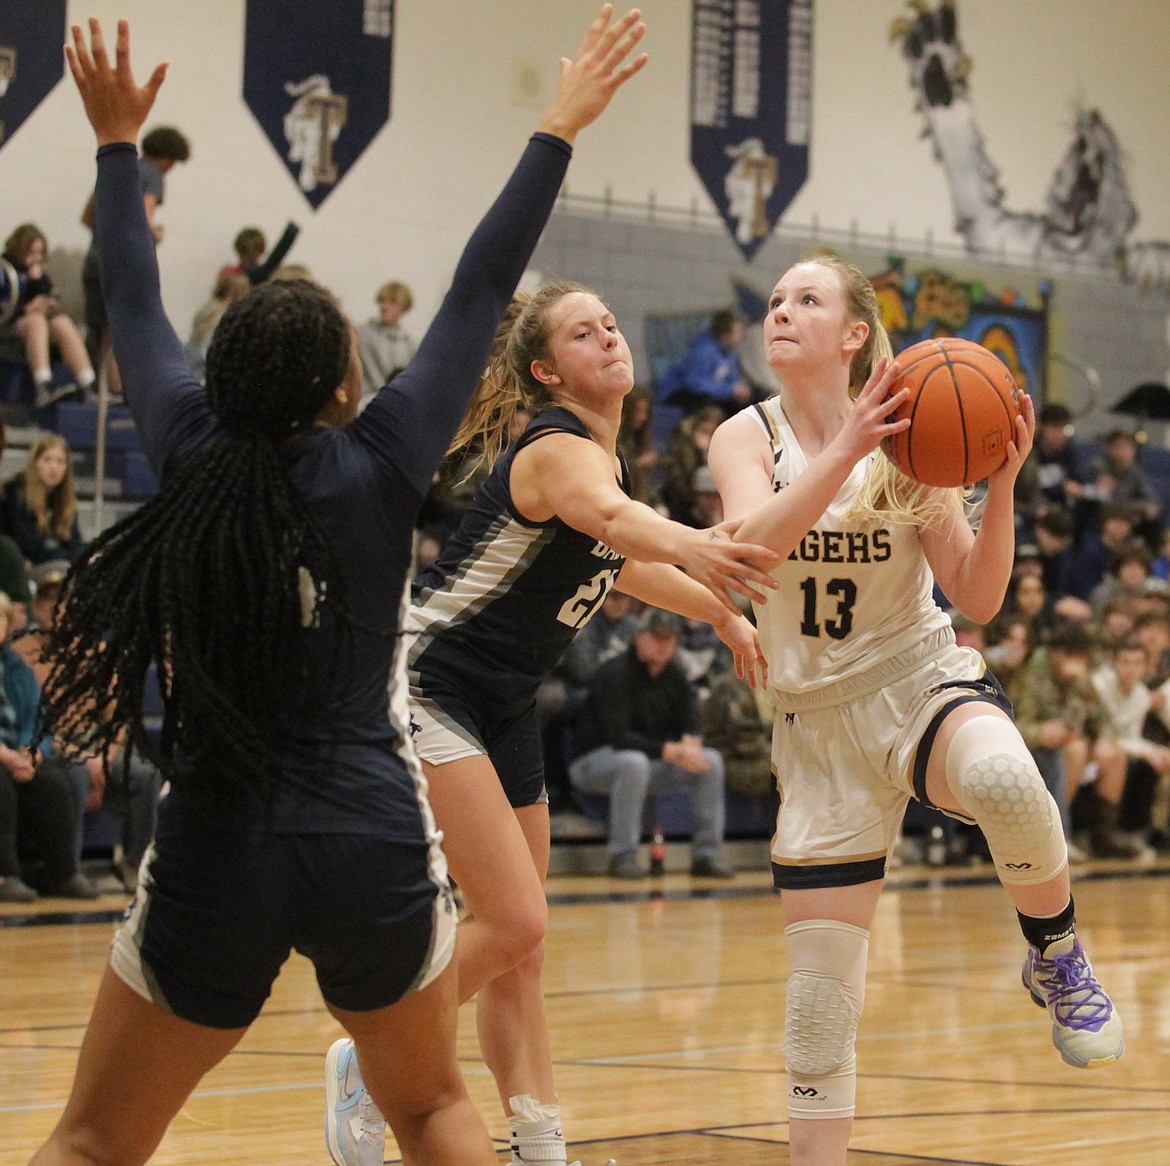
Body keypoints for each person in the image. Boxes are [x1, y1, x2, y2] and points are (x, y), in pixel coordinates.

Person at [30, 12, 643, 1166]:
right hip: (368, 835)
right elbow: (481, 284)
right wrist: (558, 125)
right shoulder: (385, 455)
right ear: (343, 376)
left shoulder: (190, 443)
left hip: (219, 841)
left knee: (97, 1136)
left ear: (227, 377)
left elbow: (132, 300)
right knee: (433, 1114)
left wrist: (117, 148)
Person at [335, 292, 778, 1159]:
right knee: (517, 922)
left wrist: (721, 617)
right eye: (585, 332)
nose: (611, 334)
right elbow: (623, 528)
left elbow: (625, 565)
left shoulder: (600, 464)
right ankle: (367, 1056)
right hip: (431, 685)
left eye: (612, 322)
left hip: (502, 702)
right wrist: (704, 546)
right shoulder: (556, 449)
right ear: (545, 372)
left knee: (518, 943)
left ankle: (539, 1139)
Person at [707, 252, 1123, 1166]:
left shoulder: (914, 432)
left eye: (805, 300)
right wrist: (848, 448)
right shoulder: (745, 437)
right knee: (819, 1018)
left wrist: (1003, 483)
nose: (780, 310)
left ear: (854, 332)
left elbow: (975, 593)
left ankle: (1054, 951)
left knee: (1009, 779)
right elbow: (751, 554)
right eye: (774, 299)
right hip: (812, 725)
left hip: (915, 679)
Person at [14, 559, 162, 894]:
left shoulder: (99, 654)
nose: (58, 608)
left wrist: (105, 756)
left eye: (66, 600)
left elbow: (117, 716)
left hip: (99, 748)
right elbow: (34, 719)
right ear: (37, 607)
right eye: (49, 600)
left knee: (145, 773)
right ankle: (67, 869)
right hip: (54, 748)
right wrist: (79, 755)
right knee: (75, 774)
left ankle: (134, 862)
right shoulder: (22, 654)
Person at [569, 607, 735, 878]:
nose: (663, 645)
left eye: (669, 638)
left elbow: (690, 722)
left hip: (650, 763)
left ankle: (706, 855)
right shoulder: (615, 673)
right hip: (594, 763)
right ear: (639, 637)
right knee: (633, 763)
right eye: (656, 637)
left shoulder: (676, 675)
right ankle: (623, 856)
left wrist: (691, 744)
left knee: (711, 761)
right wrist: (670, 750)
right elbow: (619, 737)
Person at [81, 120, 190, 396]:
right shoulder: (153, 175)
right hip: (123, 263)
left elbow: (87, 217)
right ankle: (118, 392)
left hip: (95, 257)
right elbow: (143, 218)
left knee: (102, 329)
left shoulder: (116, 172)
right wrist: (155, 234)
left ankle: (106, 390)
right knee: (121, 327)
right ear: (166, 157)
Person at [0, 588, 96, 903]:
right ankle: (7, 875)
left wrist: (31, 751)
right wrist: (8, 757)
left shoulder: (14, 666)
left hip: (17, 754)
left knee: (53, 781)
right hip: (2, 757)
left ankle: (63, 874)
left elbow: (36, 717)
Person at [0, 224, 96, 406]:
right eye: (31, 253)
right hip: (11, 328)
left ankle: (87, 384)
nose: (35, 258)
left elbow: (48, 295)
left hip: (39, 326)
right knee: (36, 321)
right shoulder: (5, 271)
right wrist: (26, 311)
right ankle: (43, 386)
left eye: (39, 253)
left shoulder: (38, 274)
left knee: (62, 322)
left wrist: (48, 303)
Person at [1, 435, 84, 566]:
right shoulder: (16, 493)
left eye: (60, 462)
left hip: (56, 564)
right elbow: (30, 544)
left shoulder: (65, 500)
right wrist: (66, 557)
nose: (53, 467)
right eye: (47, 460)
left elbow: (76, 545)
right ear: (35, 463)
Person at [655, 307, 750, 414]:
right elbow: (696, 384)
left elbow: (732, 378)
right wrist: (730, 390)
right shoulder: (703, 350)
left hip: (708, 393)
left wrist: (739, 390)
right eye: (737, 332)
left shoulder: (729, 353)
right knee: (706, 402)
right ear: (725, 334)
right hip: (678, 394)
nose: (740, 336)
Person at [355, 280, 417, 400]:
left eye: (392, 302)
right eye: (382, 301)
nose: (384, 307)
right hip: (364, 398)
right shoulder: (363, 333)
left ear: (403, 308)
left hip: (391, 400)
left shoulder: (408, 344)